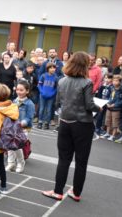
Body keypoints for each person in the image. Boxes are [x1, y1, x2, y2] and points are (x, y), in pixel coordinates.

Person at [42, 51, 101, 202]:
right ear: (85, 65)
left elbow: (57, 103)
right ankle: (76, 192)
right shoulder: (87, 82)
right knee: (81, 161)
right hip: (83, 125)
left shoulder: (61, 81)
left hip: (65, 123)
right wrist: (99, 108)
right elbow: (89, 105)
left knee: (64, 159)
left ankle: (57, 191)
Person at [7, 80, 35, 173]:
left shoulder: (29, 103)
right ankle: (11, 163)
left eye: (21, 90)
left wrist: (22, 123)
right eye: (17, 89)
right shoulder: (14, 101)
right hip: (13, 127)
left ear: (27, 91)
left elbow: (29, 117)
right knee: (10, 145)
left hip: (23, 128)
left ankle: (20, 163)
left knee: (17, 146)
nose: (19, 91)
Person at [37, 63, 58, 130]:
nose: (52, 69)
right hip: (42, 95)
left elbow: (56, 88)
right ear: (47, 69)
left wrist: (53, 93)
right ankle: (40, 122)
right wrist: (42, 92)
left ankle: (46, 123)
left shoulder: (56, 77)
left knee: (49, 110)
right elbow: (39, 85)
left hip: (51, 97)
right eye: (51, 68)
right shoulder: (43, 76)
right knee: (42, 109)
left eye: (54, 68)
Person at [104, 75, 122, 141]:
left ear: (120, 82)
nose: (114, 82)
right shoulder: (111, 87)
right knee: (108, 120)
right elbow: (109, 96)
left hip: (116, 109)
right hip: (109, 107)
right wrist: (107, 103)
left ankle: (113, 135)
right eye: (113, 81)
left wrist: (115, 104)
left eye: (116, 81)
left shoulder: (121, 89)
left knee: (115, 122)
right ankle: (107, 133)